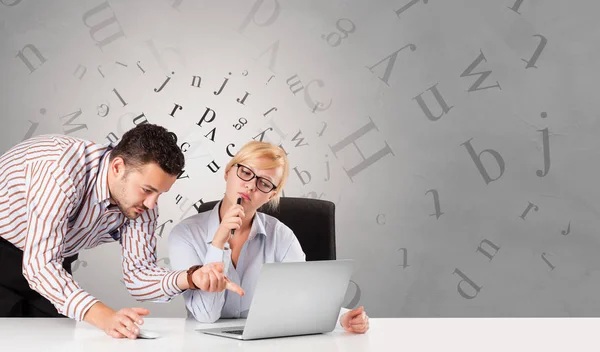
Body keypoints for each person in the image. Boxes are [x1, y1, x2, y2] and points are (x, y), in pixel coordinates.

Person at [0, 123, 243, 339]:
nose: (151, 204)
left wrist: (190, 278)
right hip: (11, 252)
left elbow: (138, 275)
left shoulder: (142, 205)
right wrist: (102, 315)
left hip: (51, 259)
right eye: (147, 190)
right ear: (117, 167)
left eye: (159, 194)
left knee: (52, 343)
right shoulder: (61, 173)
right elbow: (39, 266)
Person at [168, 141, 369, 334]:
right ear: (228, 172)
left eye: (264, 183)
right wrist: (218, 244)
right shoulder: (185, 235)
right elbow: (206, 315)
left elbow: (305, 295)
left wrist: (342, 318)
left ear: (271, 196)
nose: (250, 186)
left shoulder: (282, 236)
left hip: (267, 341)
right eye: (245, 173)